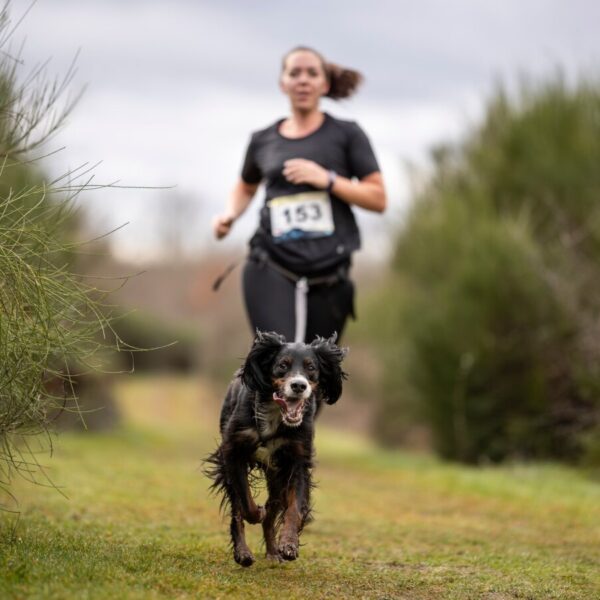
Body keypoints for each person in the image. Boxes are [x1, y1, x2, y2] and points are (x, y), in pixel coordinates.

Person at [213, 46, 386, 344]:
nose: (303, 80)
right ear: (283, 83)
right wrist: (229, 214)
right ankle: (245, 393)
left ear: (325, 84)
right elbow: (245, 186)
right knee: (277, 358)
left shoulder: (347, 134)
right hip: (271, 262)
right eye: (294, 73)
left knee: (317, 371)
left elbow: (378, 198)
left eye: (312, 73)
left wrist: (328, 180)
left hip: (330, 270)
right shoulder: (263, 140)